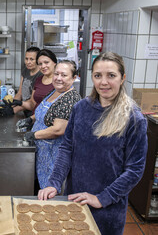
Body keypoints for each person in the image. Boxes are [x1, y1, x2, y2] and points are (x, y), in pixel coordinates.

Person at [38, 52, 148, 235]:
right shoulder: (81, 108)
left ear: (123, 78)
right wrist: (54, 182)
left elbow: (134, 170)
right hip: (75, 201)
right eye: (98, 76)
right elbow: (67, 148)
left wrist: (102, 198)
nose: (103, 82)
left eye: (111, 75)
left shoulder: (134, 119)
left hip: (107, 210)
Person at [18, 60, 81, 190]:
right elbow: (45, 112)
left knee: (51, 191)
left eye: (64, 75)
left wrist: (33, 135)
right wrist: (30, 119)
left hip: (54, 154)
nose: (58, 78)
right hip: (42, 150)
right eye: (56, 74)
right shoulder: (55, 91)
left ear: (74, 78)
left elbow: (58, 130)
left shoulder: (70, 98)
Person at [0, 46, 42, 117]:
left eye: (31, 59)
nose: (28, 62)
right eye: (26, 59)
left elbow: (32, 103)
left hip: (34, 113)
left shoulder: (40, 76)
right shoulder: (26, 70)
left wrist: (14, 110)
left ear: (38, 60)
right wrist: (11, 105)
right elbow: (20, 93)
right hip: (24, 110)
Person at [14, 49, 57, 115]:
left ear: (54, 63)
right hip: (35, 117)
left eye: (46, 62)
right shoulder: (39, 80)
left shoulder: (59, 82)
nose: (43, 66)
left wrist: (16, 108)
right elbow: (33, 103)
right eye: (40, 64)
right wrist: (18, 103)